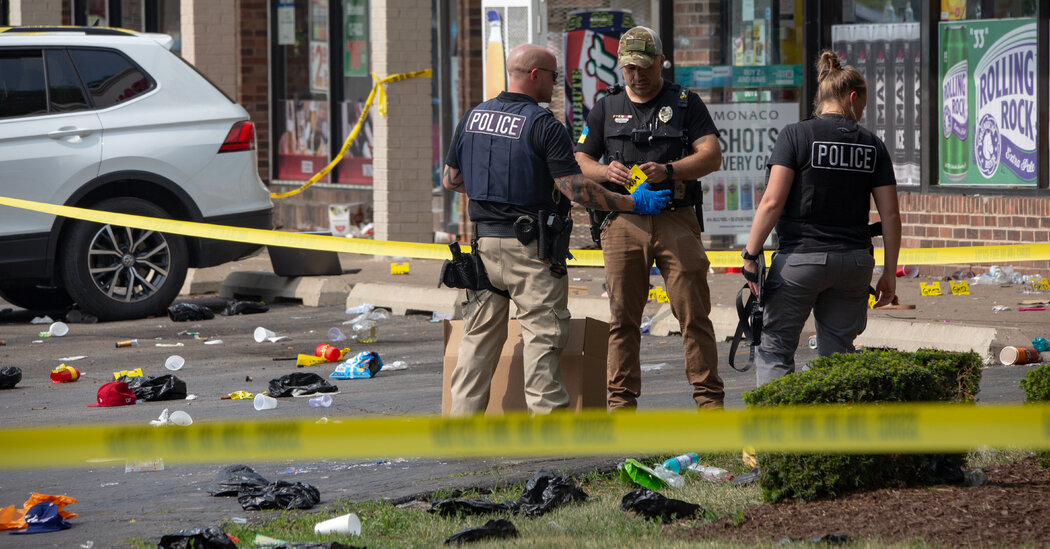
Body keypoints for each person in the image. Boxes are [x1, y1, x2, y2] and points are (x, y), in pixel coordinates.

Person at [442, 44, 671, 416]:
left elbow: (452, 180)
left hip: (483, 247)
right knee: (542, 338)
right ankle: (550, 434)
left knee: (478, 339)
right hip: (531, 249)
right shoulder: (543, 124)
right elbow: (575, 189)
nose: (555, 84)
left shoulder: (472, 117)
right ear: (535, 75)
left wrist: (496, 194)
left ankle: (459, 429)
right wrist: (633, 203)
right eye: (552, 76)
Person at [575, 27, 724, 411]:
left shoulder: (686, 103)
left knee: (693, 314)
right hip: (623, 221)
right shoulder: (606, 106)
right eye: (628, 69)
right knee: (623, 317)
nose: (636, 76)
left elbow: (711, 155)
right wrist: (607, 173)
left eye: (643, 67)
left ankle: (710, 407)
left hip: (676, 218)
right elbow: (580, 160)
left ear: (661, 62)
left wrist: (671, 170)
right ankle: (622, 408)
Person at [741, 50, 901, 385]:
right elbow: (890, 215)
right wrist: (888, 273)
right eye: (864, 105)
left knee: (775, 348)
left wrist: (750, 256)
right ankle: (835, 432)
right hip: (854, 264)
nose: (862, 112)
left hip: (800, 261)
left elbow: (771, 201)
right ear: (852, 97)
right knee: (839, 352)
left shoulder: (795, 135)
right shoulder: (873, 146)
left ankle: (776, 433)